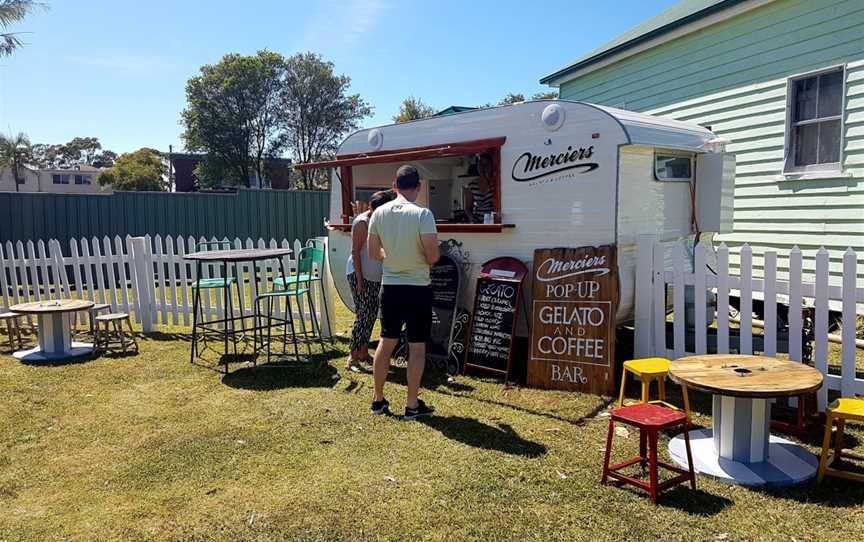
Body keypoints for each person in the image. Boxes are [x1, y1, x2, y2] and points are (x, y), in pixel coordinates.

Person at [367, 164, 440, 419]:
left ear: (394, 186)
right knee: (417, 347)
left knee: (386, 342)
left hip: (391, 287)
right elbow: (433, 256)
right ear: (418, 187)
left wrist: (392, 255)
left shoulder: (379, 213)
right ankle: (411, 405)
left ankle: (378, 400)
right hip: (418, 288)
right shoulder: (423, 214)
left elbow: (373, 253)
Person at [345, 189, 396, 372]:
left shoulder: (382, 222)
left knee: (371, 315)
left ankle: (364, 352)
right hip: (361, 275)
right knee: (363, 315)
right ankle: (352, 358)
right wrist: (359, 281)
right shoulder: (362, 223)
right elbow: (355, 253)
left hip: (374, 277)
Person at [464, 153, 495, 224]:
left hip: (493, 223)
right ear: (477, 166)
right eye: (480, 164)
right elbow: (468, 208)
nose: (483, 167)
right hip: (478, 222)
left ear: (491, 166)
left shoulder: (496, 184)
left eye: (486, 164)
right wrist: (473, 219)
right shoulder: (471, 185)